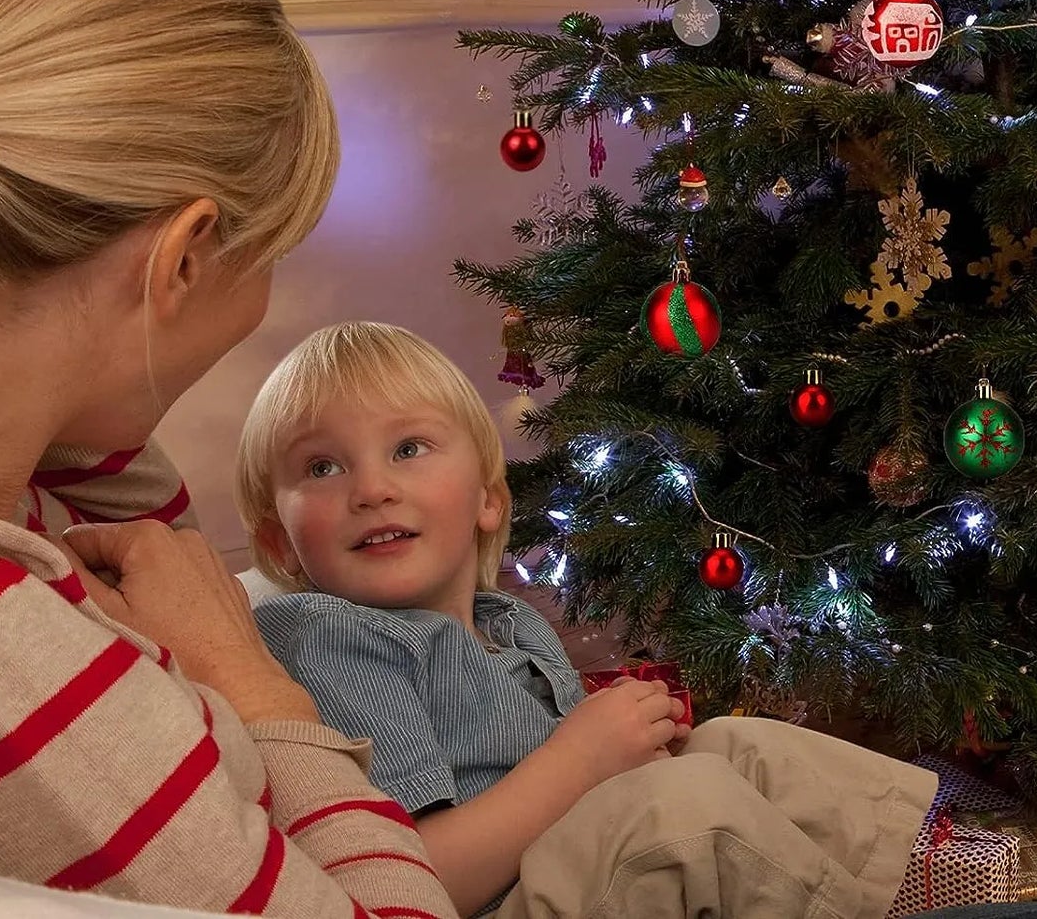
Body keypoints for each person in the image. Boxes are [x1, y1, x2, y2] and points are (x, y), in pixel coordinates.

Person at [0, 0, 458, 919]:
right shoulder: (6, 673)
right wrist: (257, 687)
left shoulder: (26, 473)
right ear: (184, 256)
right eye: (272, 251)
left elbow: (140, 514)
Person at [237, 321, 945, 919]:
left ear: (487, 498)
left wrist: (633, 749)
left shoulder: (511, 621)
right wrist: (582, 759)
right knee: (685, 811)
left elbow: (600, 789)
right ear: (278, 543)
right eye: (323, 466)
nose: (372, 487)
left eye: (407, 448)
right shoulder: (329, 635)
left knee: (734, 744)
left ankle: (929, 880)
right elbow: (418, 878)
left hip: (566, 871)